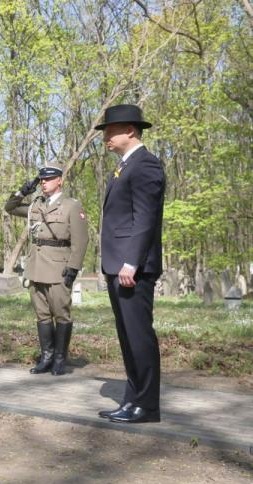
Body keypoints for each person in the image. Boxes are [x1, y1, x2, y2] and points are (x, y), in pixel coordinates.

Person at [95, 104, 165, 424]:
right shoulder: (124, 167)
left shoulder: (146, 165)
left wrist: (131, 262)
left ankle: (147, 406)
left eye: (110, 131)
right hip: (117, 266)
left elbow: (145, 220)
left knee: (139, 337)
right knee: (127, 338)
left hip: (131, 268)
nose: (105, 137)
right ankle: (132, 400)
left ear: (130, 131)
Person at [5, 162, 88, 375]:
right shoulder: (36, 205)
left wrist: (73, 268)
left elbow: (80, 240)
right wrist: (23, 191)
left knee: (61, 314)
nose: (44, 182)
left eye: (48, 178)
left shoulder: (71, 205)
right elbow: (10, 208)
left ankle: (60, 358)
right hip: (35, 267)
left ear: (59, 180)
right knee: (42, 315)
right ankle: (46, 357)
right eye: (41, 179)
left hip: (59, 269)